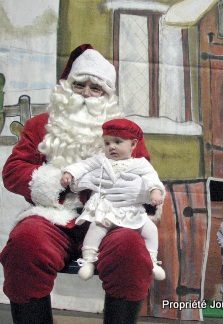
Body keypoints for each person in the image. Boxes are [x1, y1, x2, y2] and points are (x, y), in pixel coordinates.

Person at [1, 44, 156, 324]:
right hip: (52, 218)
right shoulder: (40, 125)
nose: (86, 94)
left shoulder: (125, 133)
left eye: (95, 88)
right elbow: (13, 171)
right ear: (66, 87)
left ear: (107, 95)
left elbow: (146, 177)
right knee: (25, 243)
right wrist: (56, 183)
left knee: (132, 250)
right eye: (79, 85)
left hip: (110, 219)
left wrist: (138, 194)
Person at [60, 118, 166, 281]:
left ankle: (152, 262)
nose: (112, 147)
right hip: (106, 209)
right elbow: (84, 166)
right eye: (108, 143)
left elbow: (152, 178)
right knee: (95, 229)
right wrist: (70, 173)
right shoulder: (101, 161)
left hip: (131, 209)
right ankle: (88, 261)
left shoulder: (141, 164)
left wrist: (155, 191)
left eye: (118, 142)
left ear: (133, 144)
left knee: (151, 230)